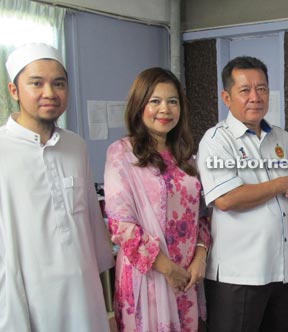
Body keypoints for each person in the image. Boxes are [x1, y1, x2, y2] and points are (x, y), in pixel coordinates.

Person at [0, 43, 113, 331]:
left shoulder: (75, 146)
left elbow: (90, 220)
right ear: (14, 91)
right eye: (37, 83)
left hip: (81, 289)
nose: (50, 93)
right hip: (22, 295)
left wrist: (101, 264)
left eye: (58, 84)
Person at [197, 56, 288, 332]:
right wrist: (282, 184)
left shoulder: (282, 139)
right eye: (245, 90)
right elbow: (226, 199)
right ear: (227, 97)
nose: (255, 97)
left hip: (282, 271)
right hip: (240, 275)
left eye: (261, 89)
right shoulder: (216, 141)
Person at [104, 67, 211, 332]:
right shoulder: (122, 154)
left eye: (172, 101)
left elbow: (203, 216)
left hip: (186, 277)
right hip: (149, 275)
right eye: (155, 101)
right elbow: (121, 225)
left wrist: (199, 257)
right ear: (140, 106)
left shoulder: (186, 157)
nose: (165, 109)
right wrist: (167, 268)